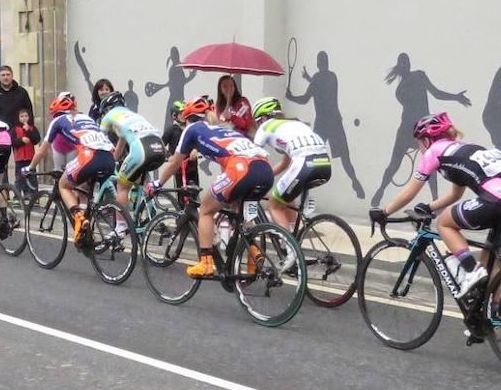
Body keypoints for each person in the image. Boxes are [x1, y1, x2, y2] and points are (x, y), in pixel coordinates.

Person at [370, 113, 501, 298]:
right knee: (492, 268)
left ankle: (470, 270)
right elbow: (456, 193)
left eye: (419, 143)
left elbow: (409, 193)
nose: (419, 148)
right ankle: (490, 317)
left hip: (497, 201)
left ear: (427, 140)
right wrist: (430, 207)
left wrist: (384, 212)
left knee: (444, 223)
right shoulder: (462, 149)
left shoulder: (434, 151)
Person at [154, 96, 274, 278]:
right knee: (237, 210)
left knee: (205, 210)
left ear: (187, 118)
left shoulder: (192, 128)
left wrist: (157, 184)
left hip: (242, 169)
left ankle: (205, 263)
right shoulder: (222, 129)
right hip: (264, 169)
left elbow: (174, 163)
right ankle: (254, 254)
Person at [371, 52, 471, 206]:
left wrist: (456, 97)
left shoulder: (419, 76)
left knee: (431, 162)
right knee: (395, 163)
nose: (407, 65)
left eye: (408, 62)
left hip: (425, 129)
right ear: (400, 67)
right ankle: (381, 189)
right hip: (407, 130)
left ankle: (435, 199)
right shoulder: (401, 90)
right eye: (404, 63)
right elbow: (423, 101)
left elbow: (436, 94)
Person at [24, 92, 117, 241]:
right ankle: (86, 234)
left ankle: (80, 219)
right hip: (109, 157)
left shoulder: (58, 120)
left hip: (89, 156)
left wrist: (30, 167)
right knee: (83, 192)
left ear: (55, 112)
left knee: (64, 185)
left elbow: (43, 148)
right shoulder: (86, 118)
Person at [285, 50, 364, 198]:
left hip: (322, 123)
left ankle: (302, 187)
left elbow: (305, 99)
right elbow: (320, 87)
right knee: (345, 157)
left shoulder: (317, 79)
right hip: (335, 121)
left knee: (311, 156)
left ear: (318, 63)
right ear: (325, 63)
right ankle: (355, 181)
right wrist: (309, 78)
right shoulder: (332, 77)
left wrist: (291, 97)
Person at [249, 97, 332, 230]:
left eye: (256, 122)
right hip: (325, 164)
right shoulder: (295, 124)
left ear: (262, 118)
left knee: (273, 205)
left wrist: (249, 181)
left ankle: (290, 249)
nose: (257, 126)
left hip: (304, 163)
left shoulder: (265, 127)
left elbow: (252, 159)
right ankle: (293, 234)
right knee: (285, 198)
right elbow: (284, 164)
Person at [97, 91, 168, 234]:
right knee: (137, 181)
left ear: (108, 108)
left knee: (122, 186)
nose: (104, 114)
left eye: (104, 111)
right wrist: (113, 160)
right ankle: (149, 214)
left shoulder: (110, 116)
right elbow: (121, 144)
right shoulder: (133, 116)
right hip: (159, 146)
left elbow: (100, 140)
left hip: (141, 148)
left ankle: (121, 227)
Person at [161, 100, 199, 190]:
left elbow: (199, 141)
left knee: (195, 191)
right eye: (181, 113)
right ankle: (181, 204)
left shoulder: (191, 129)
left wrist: (196, 150)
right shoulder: (171, 130)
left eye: (185, 113)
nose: (183, 115)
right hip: (178, 168)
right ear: (174, 116)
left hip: (192, 167)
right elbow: (160, 145)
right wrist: (169, 156)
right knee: (181, 193)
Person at [12, 107, 41, 190]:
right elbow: (12, 142)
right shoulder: (15, 129)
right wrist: (21, 140)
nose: (24, 118)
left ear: (29, 117)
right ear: (18, 118)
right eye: (22, 116)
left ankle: (33, 196)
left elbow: (36, 140)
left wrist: (28, 131)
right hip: (19, 159)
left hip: (30, 158)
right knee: (19, 178)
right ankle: (17, 196)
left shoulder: (33, 128)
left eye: (26, 116)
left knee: (31, 177)